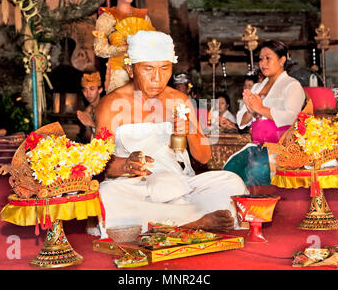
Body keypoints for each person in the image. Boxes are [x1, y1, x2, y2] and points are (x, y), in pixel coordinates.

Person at [93, 30, 248, 236]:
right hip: (137, 187)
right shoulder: (111, 105)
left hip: (181, 184)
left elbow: (204, 157)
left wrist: (191, 131)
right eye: (148, 69)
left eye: (165, 68)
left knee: (231, 182)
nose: (157, 78)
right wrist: (126, 165)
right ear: (130, 69)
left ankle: (166, 222)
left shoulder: (180, 100)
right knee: (107, 194)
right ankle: (191, 222)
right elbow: (99, 164)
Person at [223, 40, 306, 187]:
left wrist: (260, 109)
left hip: (281, 148)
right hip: (256, 147)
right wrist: (250, 110)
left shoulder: (292, 85)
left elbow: (292, 117)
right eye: (261, 59)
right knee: (229, 171)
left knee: (255, 171)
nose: (263, 63)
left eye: (268, 58)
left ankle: (260, 207)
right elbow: (241, 121)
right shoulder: (256, 87)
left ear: (282, 60)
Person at [93, 0, 154, 94]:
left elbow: (152, 45)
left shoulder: (144, 17)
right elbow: (99, 49)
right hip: (118, 74)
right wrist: (123, 48)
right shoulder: (106, 18)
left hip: (141, 73)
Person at [76, 71, 103, 143]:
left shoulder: (105, 108)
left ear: (100, 90)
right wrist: (87, 126)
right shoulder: (87, 111)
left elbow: (110, 135)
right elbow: (87, 139)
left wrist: (92, 124)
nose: (88, 94)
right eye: (85, 90)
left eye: (92, 89)